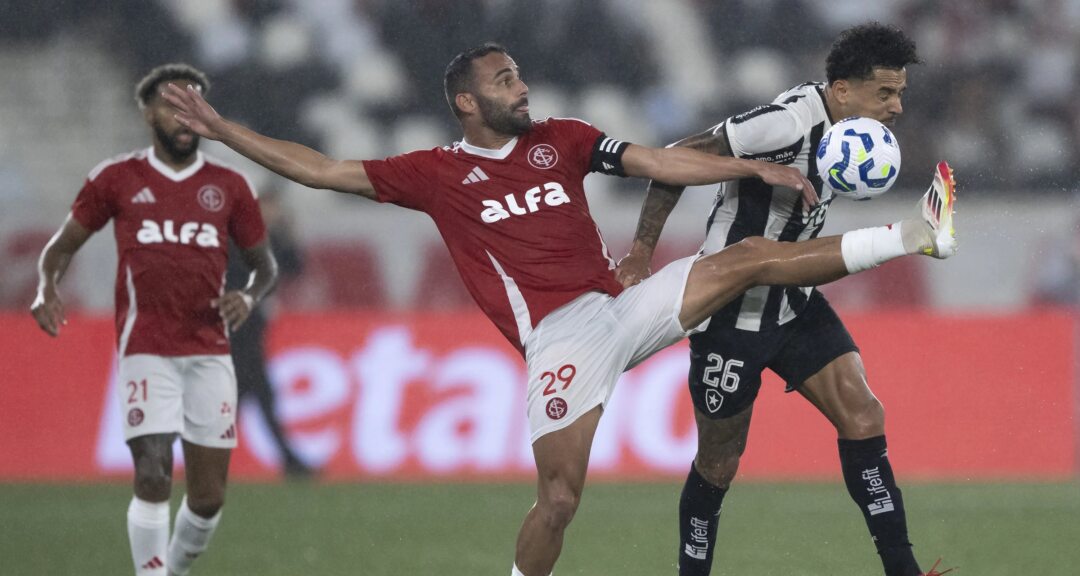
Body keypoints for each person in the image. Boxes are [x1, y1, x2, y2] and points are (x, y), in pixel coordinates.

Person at [161, 42, 956, 576]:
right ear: (467, 103)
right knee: (562, 500)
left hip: (620, 306)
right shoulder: (434, 173)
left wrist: (753, 167)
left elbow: (654, 160)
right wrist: (223, 129)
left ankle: (915, 232)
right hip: (561, 341)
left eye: (520, 77)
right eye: (505, 81)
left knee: (742, 260)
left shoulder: (563, 138)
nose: (523, 87)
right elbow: (321, 168)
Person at [615, 23, 948, 576]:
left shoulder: (854, 137)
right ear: (842, 90)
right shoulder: (786, 123)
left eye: (901, 93)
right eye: (885, 93)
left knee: (863, 414)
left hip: (794, 302)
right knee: (720, 461)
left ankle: (904, 570)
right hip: (730, 310)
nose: (897, 107)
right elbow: (673, 158)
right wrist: (640, 253)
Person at [31, 63, 278, 576]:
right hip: (146, 346)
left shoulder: (230, 185)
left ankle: (173, 570)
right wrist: (47, 287)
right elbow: (62, 246)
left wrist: (250, 297)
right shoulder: (116, 178)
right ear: (148, 113)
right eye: (173, 105)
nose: (185, 117)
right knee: (152, 473)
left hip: (210, 350)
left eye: (194, 105)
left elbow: (265, 267)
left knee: (208, 497)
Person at [225, 186, 313, 477]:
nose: (271, 214)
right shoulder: (237, 241)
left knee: (247, 397)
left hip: (251, 330)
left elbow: (295, 267)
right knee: (256, 396)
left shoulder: (268, 240)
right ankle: (289, 461)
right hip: (237, 329)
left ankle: (212, 458)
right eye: (267, 207)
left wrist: (285, 233)